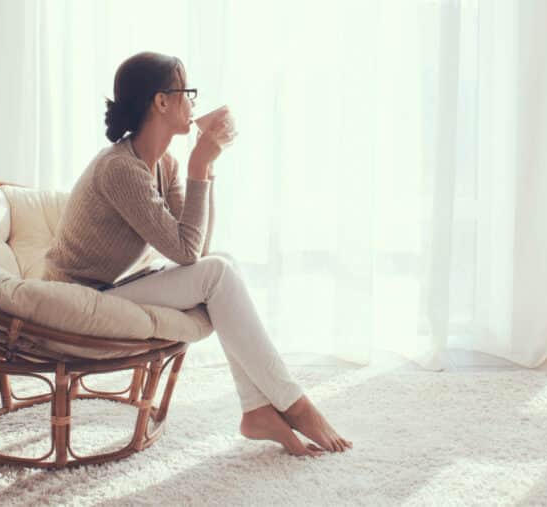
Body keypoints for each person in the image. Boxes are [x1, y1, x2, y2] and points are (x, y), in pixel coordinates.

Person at [44, 51, 352, 457]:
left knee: (223, 264)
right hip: (78, 301)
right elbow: (190, 252)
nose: (194, 103)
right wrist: (199, 162)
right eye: (187, 91)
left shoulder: (162, 164)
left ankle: (257, 409)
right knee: (218, 273)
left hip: (112, 289)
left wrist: (204, 170)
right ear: (161, 101)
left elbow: (197, 249)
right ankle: (294, 404)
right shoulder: (120, 168)